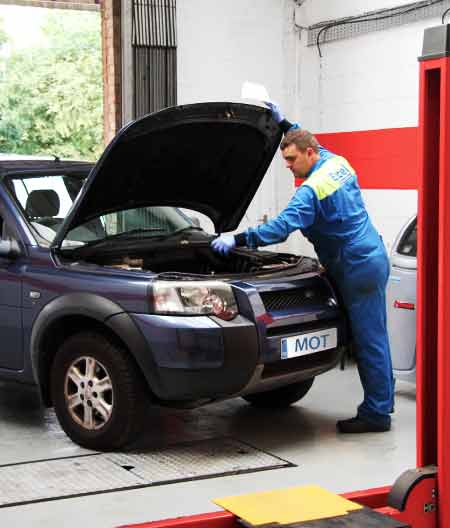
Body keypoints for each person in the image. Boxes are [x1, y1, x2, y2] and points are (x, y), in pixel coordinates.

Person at [211, 102, 394, 433]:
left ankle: (377, 412)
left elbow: (279, 229)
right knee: (372, 334)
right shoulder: (337, 163)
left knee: (370, 339)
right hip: (369, 254)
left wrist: (237, 240)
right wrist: (285, 124)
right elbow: (309, 140)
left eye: (292, 159)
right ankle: (379, 401)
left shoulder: (310, 191)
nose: (289, 166)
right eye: (286, 160)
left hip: (355, 265)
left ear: (309, 154)